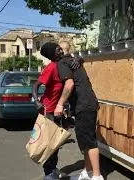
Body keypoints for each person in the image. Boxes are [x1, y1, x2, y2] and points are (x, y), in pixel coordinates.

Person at [32, 42, 81, 180]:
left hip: (57, 110)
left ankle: (52, 169)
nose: (61, 51)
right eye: (58, 49)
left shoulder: (62, 64)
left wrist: (78, 59)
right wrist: (36, 101)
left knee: (56, 143)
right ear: (52, 54)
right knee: (50, 143)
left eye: (61, 49)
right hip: (48, 110)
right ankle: (49, 173)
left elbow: (76, 59)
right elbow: (36, 85)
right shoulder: (52, 67)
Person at [55, 41, 103, 180]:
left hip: (84, 105)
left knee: (89, 140)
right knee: (84, 140)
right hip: (86, 105)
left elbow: (69, 85)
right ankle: (87, 172)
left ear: (60, 51)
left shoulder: (63, 63)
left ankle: (97, 176)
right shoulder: (73, 62)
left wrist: (60, 104)